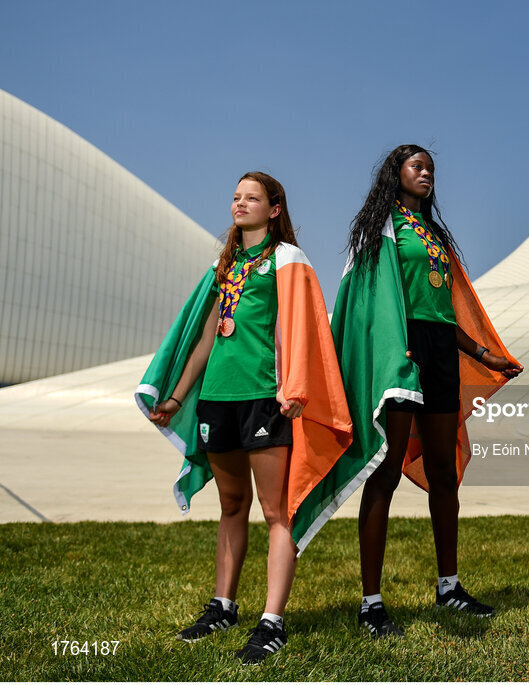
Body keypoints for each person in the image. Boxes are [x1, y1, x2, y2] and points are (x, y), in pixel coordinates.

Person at [135, 172, 351, 664]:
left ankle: (272, 621)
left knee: (277, 512)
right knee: (232, 504)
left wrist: (293, 387)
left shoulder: (287, 259)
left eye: (251, 197)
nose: (240, 203)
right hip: (217, 399)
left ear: (274, 208)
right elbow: (207, 338)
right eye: (235, 196)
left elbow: (300, 326)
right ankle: (224, 606)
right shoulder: (224, 266)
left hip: (262, 399)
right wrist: (176, 396)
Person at [331, 144, 522, 638]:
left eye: (432, 168)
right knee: (386, 470)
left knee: (443, 470)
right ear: (395, 174)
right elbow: (372, 300)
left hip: (439, 353)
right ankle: (371, 603)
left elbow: (444, 312)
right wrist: (393, 349)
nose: (427, 173)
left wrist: (483, 355)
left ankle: (449, 587)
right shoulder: (381, 229)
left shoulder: (434, 234)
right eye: (417, 166)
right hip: (403, 353)